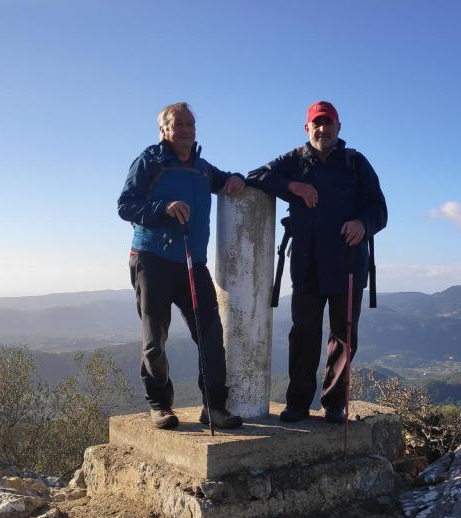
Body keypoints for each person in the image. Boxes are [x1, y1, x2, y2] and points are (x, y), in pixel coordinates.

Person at [247, 101, 388, 423]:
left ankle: (333, 404)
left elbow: (379, 208)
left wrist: (363, 224)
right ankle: (297, 403)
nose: (322, 129)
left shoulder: (355, 163)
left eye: (328, 123)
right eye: (316, 124)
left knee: (344, 336)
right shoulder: (294, 161)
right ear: (307, 128)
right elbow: (255, 176)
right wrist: (291, 185)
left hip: (349, 263)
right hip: (307, 264)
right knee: (304, 334)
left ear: (339, 127)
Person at [118, 102, 244, 430]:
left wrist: (236, 178)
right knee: (154, 338)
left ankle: (214, 406)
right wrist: (164, 208)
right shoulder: (150, 161)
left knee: (211, 334)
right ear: (164, 130)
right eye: (179, 124)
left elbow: (225, 179)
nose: (187, 129)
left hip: (192, 262)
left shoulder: (202, 168)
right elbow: (125, 205)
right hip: (152, 259)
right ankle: (160, 405)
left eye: (191, 124)